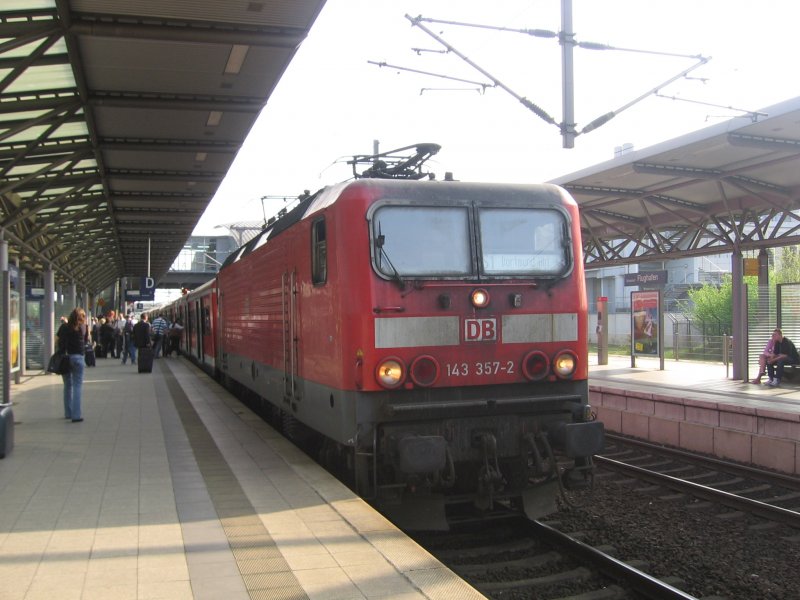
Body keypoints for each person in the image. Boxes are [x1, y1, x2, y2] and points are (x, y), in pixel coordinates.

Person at [56, 307, 89, 422]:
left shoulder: (64, 327)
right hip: (78, 358)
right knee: (77, 386)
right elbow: (86, 340)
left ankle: (68, 413)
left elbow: (57, 341)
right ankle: (76, 415)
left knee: (67, 386)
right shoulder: (83, 327)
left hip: (65, 358)